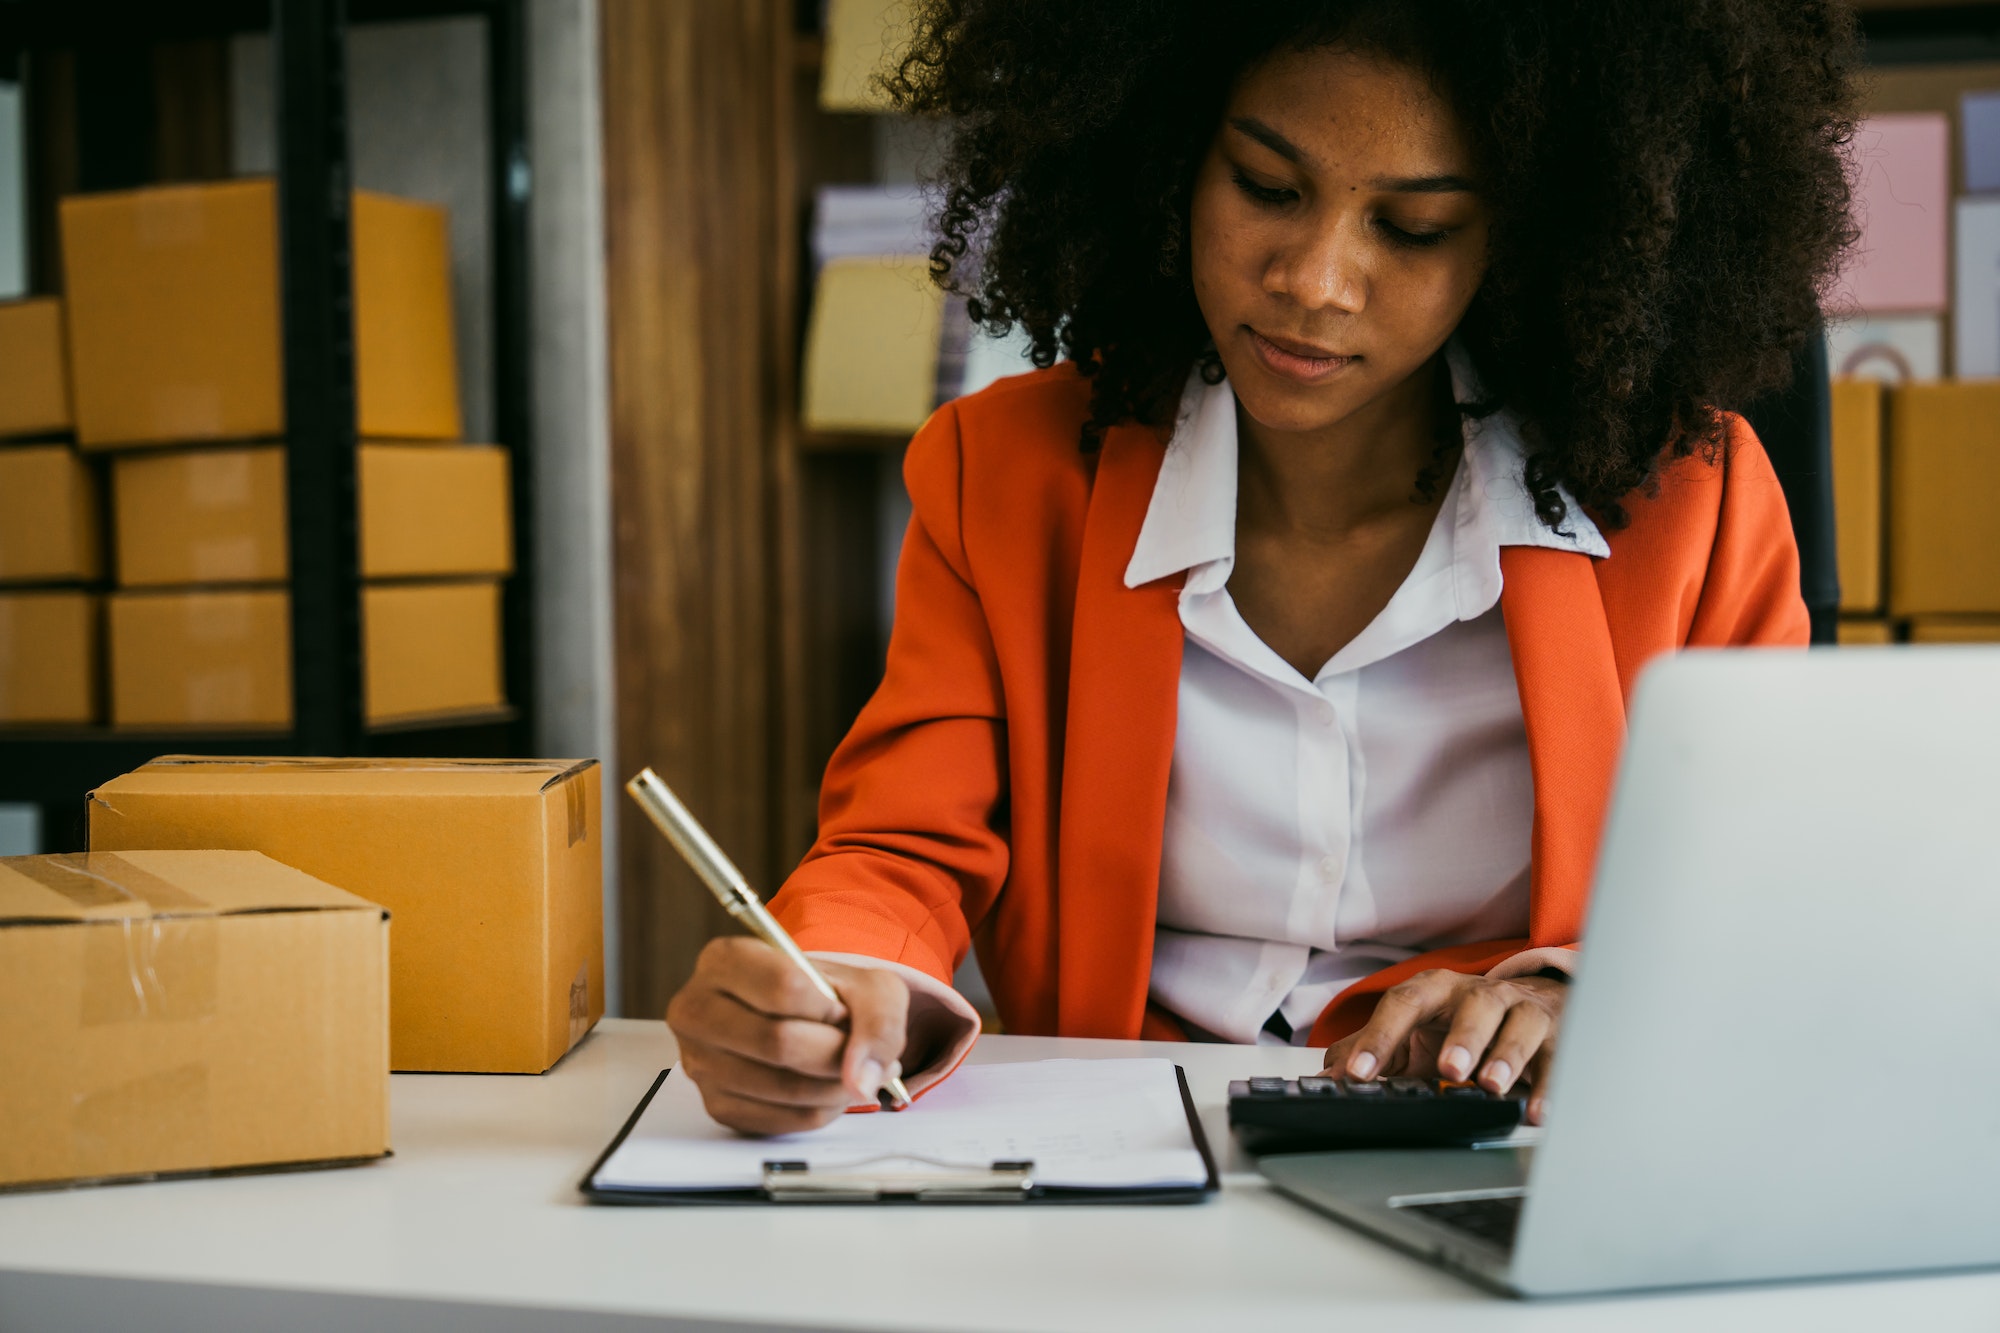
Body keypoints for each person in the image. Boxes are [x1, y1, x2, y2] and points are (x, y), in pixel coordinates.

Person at [667, 0, 1858, 1134]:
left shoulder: (1690, 505)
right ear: (1173, 154)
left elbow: (1757, 906)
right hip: (1122, 1146)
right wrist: (834, 979)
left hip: (1491, 1151)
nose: (1312, 281)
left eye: (1412, 227)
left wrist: (1580, 995)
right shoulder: (1006, 474)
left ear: (1528, 235)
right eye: (1265, 187)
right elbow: (900, 847)